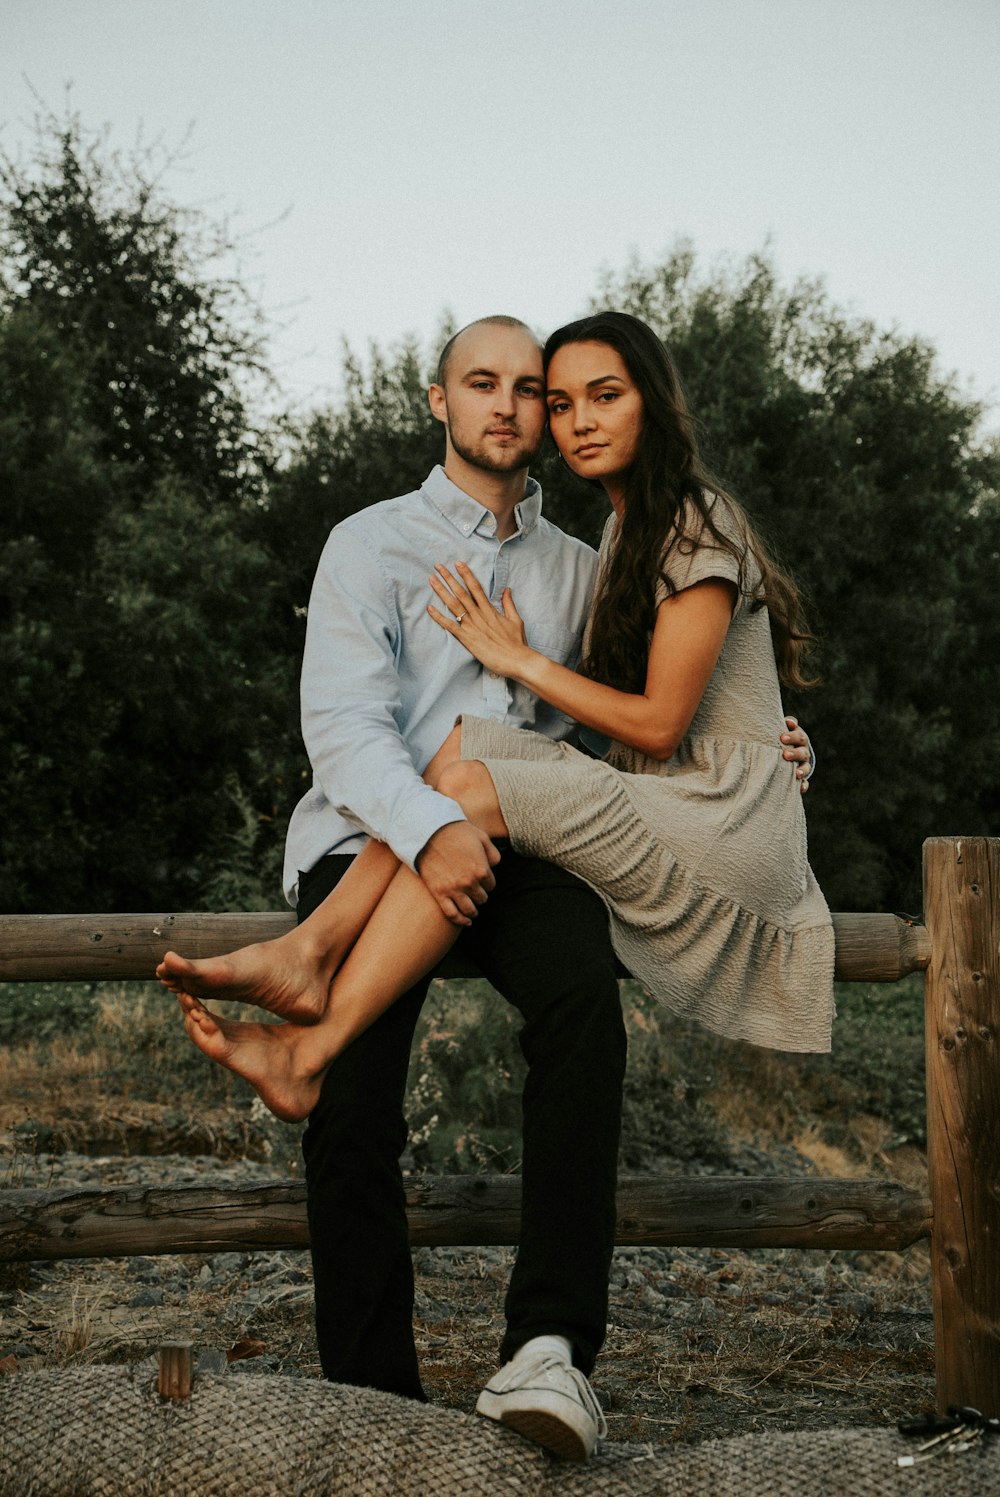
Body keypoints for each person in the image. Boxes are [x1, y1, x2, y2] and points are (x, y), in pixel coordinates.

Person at [158, 313, 818, 1462]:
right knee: (355, 1100)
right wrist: (426, 827)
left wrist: (767, 745)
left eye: (542, 391)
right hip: (373, 835)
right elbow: (344, 734)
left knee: (578, 1008)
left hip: (516, 838)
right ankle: (372, 1408)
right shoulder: (368, 543)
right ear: (438, 401)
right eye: (491, 385)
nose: (520, 409)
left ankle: (551, 1350)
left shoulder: (590, 562)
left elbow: (643, 724)